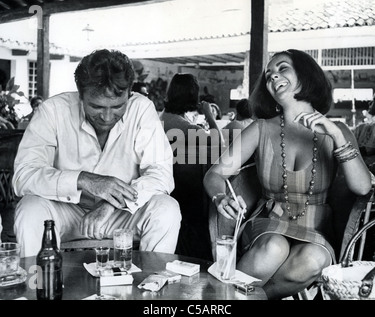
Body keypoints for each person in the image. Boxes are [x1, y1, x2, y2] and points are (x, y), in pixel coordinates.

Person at [203, 49, 371, 300]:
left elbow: (362, 188)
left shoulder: (339, 131)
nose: (273, 77)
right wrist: (219, 197)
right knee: (274, 247)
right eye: (269, 74)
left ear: (306, 75)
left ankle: (238, 299)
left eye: (282, 68)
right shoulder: (260, 128)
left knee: (315, 258)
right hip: (267, 225)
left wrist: (335, 135)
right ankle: (221, 300)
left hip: (316, 230)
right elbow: (214, 174)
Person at [12, 49, 181, 258]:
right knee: (30, 209)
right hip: (66, 211)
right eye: (96, 106)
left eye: (118, 106)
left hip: (121, 213)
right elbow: (24, 177)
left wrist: (111, 203)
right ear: (80, 94)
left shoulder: (142, 109)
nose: (107, 116)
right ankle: (39, 284)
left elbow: (161, 174)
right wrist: (84, 180)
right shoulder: (52, 111)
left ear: (129, 93)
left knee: (167, 209)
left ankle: (152, 284)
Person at [159, 73, 222, 147]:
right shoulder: (182, 125)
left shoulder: (166, 114)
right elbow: (217, 140)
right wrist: (209, 114)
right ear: (192, 95)